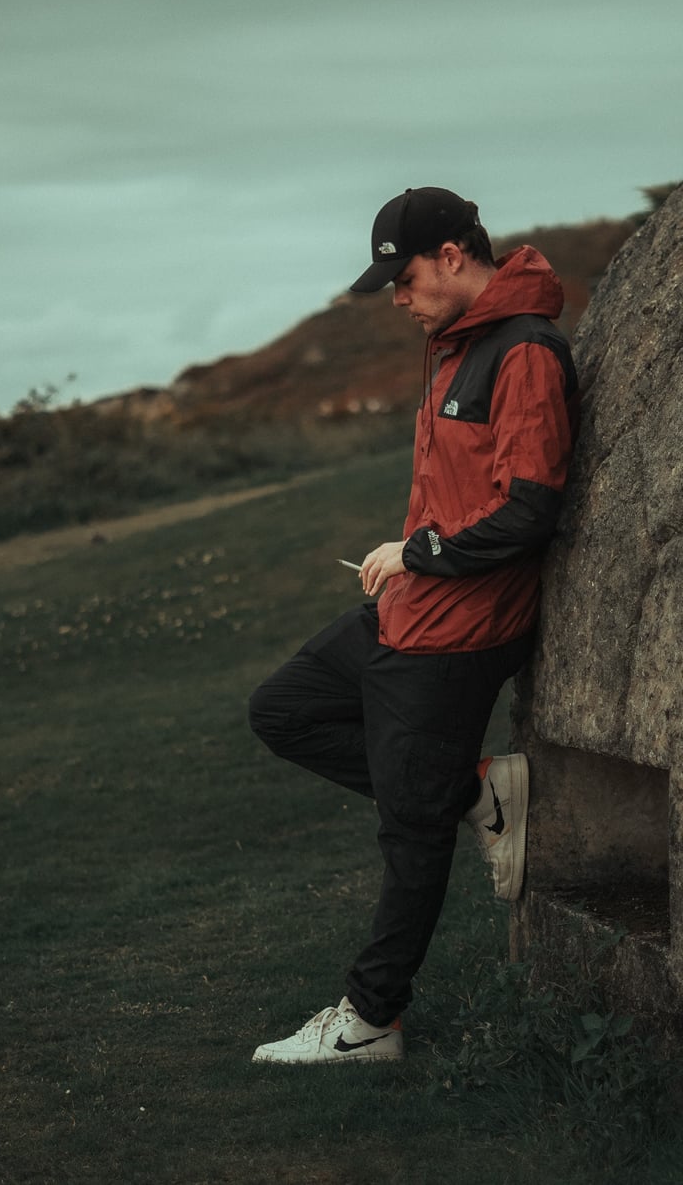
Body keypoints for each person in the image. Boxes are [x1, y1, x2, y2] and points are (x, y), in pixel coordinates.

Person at [248, 187, 579, 1065]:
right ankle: (469, 792)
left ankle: (370, 1023)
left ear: (453, 256)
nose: (398, 298)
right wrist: (411, 557)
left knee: (410, 829)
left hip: (459, 630)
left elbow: (529, 509)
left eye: (403, 279)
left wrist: (420, 551)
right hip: (409, 610)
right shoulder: (456, 345)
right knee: (282, 709)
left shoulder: (525, 351)